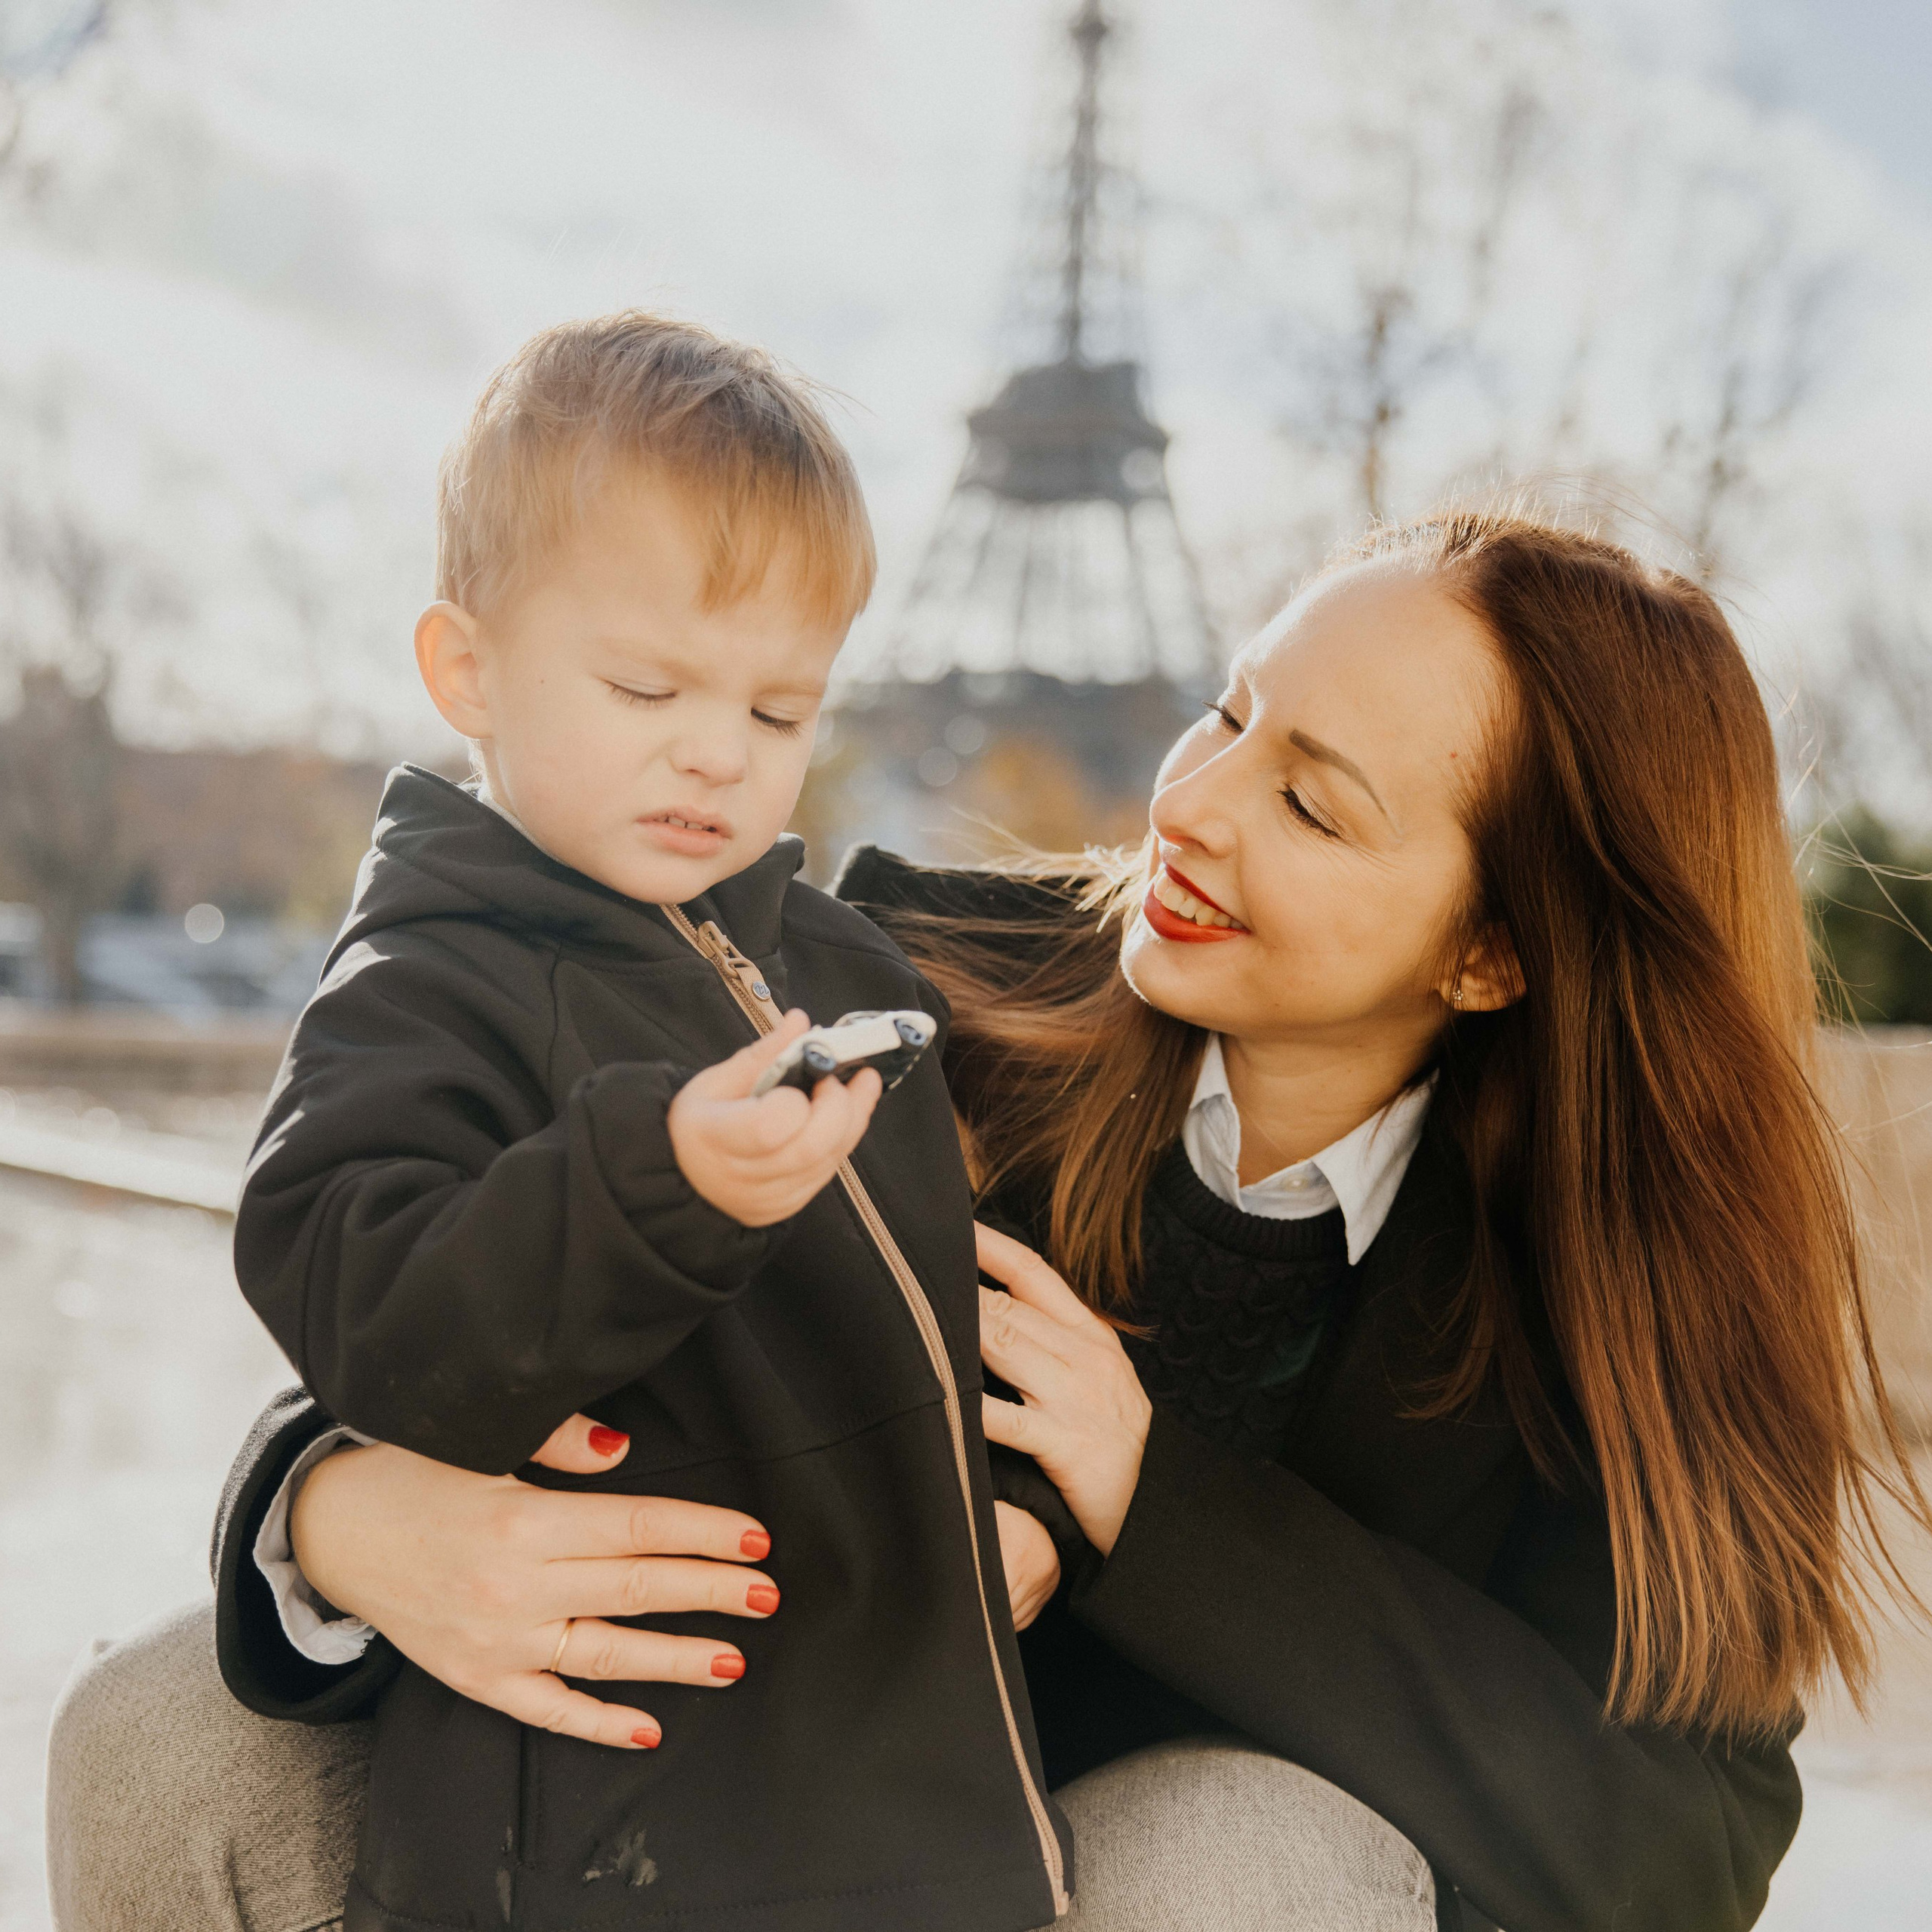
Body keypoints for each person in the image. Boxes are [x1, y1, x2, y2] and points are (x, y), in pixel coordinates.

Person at [48, 510, 1925, 1932]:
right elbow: (471, 1245)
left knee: (1243, 1858)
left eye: (1314, 803)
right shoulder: (895, 969)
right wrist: (325, 1503)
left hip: (1069, 1883)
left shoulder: (1602, 1279)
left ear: (1497, 949)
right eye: (1228, 707)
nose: (1188, 803)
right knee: (154, 1724)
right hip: (673, 1821)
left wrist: (1153, 1498)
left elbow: (1683, 1837)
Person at [177, 308, 1073, 1932]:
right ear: (469, 669)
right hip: (595, 1840)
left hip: (915, 1827)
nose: (715, 752)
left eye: (778, 709)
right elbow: (354, 1293)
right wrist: (651, 1182)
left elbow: (958, 1302)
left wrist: (1036, 1508)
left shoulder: (843, 965)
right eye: (647, 682)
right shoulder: (430, 974)